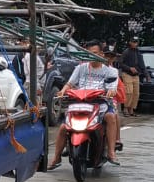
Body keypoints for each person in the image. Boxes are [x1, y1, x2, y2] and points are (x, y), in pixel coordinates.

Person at [48, 41, 121, 169]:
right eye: (88, 54)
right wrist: (63, 91)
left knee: (111, 117)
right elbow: (70, 84)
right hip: (80, 104)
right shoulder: (80, 68)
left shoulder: (111, 71)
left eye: (94, 53)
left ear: (101, 54)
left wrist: (111, 92)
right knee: (63, 127)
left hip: (101, 104)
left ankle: (111, 152)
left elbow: (113, 88)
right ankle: (56, 158)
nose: (91, 56)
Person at [116, 36, 148, 117]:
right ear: (130, 42)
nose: (135, 44)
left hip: (136, 75)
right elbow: (120, 63)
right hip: (127, 74)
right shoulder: (126, 52)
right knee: (129, 92)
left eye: (136, 42)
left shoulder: (138, 52)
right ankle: (125, 108)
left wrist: (146, 75)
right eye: (133, 42)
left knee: (136, 93)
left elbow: (142, 64)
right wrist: (129, 68)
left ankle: (132, 109)